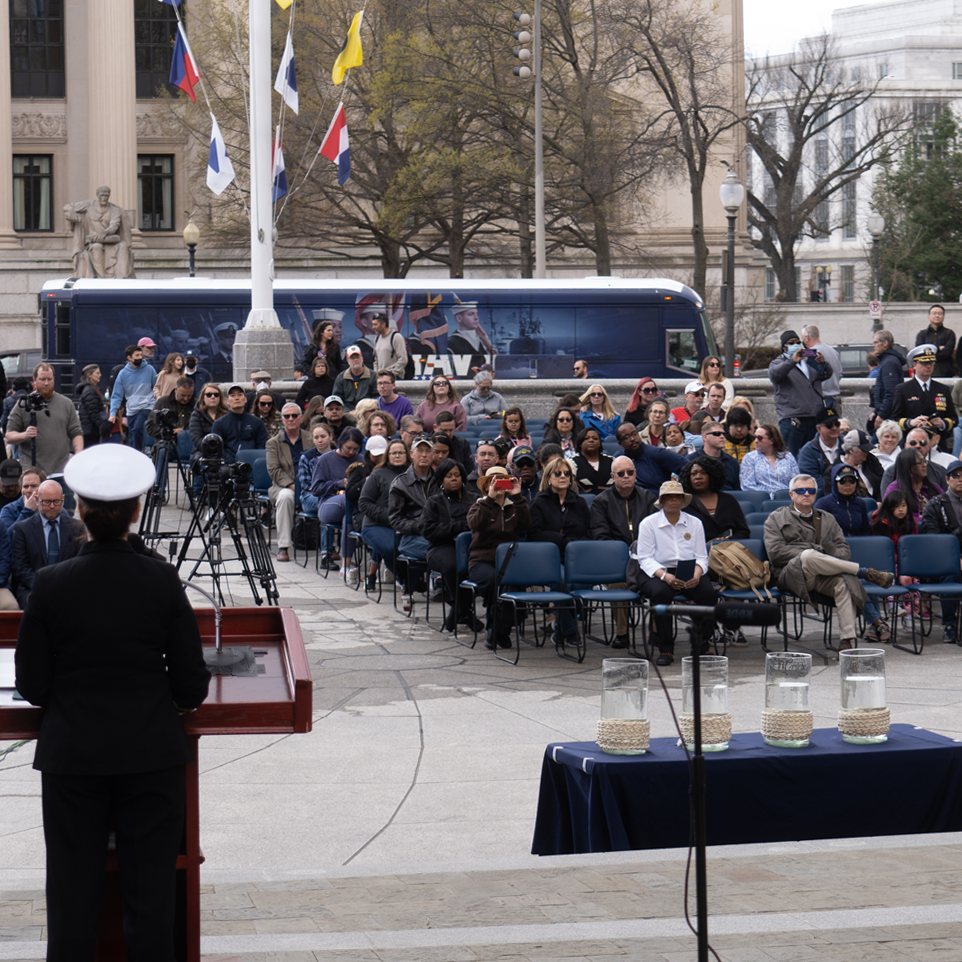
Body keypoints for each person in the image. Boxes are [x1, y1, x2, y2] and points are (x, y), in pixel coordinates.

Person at [14, 443, 210, 960]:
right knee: (151, 894)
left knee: (72, 891)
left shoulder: (51, 584)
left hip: (72, 756)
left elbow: (31, 684)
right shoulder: (162, 581)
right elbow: (191, 682)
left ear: (78, 510)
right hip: (150, 754)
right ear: (137, 512)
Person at [764, 474, 894, 651]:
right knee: (808, 556)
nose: (806, 494)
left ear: (816, 494)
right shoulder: (775, 518)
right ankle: (863, 572)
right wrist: (814, 550)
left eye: (811, 491)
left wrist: (821, 554)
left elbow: (844, 550)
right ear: (791, 495)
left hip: (823, 575)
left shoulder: (827, 518)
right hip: (791, 575)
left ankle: (846, 640)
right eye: (801, 490)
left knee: (843, 582)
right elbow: (775, 553)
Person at [628, 479, 717, 666]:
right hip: (656, 570)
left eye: (678, 497)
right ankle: (666, 648)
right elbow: (645, 558)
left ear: (683, 500)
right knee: (662, 593)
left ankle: (702, 644)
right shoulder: (648, 524)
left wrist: (697, 574)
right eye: (669, 497)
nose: (674, 500)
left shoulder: (695, 523)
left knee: (708, 594)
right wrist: (664, 576)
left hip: (689, 568)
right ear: (662, 501)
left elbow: (701, 555)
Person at [588, 455, 658, 647]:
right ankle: (622, 633)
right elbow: (601, 537)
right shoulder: (601, 501)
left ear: (635, 474)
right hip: (617, 562)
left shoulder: (648, 498)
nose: (626, 476)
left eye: (630, 472)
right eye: (621, 473)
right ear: (613, 476)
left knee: (659, 583)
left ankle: (657, 631)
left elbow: (657, 534)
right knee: (617, 584)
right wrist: (624, 554)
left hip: (647, 560)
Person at [529, 456, 591, 648]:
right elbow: (535, 534)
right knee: (563, 582)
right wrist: (564, 540)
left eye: (567, 473)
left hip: (576, 558)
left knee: (580, 583)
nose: (563, 476)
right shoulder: (539, 502)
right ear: (548, 478)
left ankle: (560, 630)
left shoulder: (579, 503)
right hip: (550, 560)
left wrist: (577, 545)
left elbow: (589, 532)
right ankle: (571, 632)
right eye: (558, 473)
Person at [467, 466, 531, 650]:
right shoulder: (479, 505)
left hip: (508, 562)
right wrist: (490, 498)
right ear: (487, 485)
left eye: (502, 479)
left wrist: (517, 496)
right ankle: (499, 631)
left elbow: (525, 525)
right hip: (481, 561)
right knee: (494, 582)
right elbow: (476, 524)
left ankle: (497, 630)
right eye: (493, 480)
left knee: (514, 585)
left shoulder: (513, 507)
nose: (498, 484)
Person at [420, 457, 482, 632]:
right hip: (441, 547)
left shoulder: (475, 499)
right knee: (453, 566)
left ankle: (457, 611)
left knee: (477, 566)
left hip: (472, 546)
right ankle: (466, 612)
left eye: (457, 475)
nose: (453, 478)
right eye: (448, 476)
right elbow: (427, 530)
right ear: (441, 479)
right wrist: (459, 526)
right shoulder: (434, 502)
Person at [10, 479, 85, 609]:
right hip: (33, 589)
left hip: (67, 588)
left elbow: (80, 564)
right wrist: (42, 587)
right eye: (46, 502)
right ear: (37, 500)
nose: (51, 506)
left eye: (56, 502)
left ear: (63, 499)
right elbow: (21, 568)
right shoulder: (23, 529)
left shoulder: (76, 528)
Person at [388, 435, 438, 601]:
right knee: (440, 550)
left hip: (439, 533)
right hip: (411, 536)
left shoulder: (441, 480)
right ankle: (437, 581)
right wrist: (419, 526)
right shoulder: (400, 484)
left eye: (428, 451)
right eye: (420, 451)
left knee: (451, 546)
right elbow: (395, 519)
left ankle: (446, 589)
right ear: (412, 454)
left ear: (433, 455)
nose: (424, 455)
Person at [769, 329, 833, 456]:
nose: (796, 345)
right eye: (791, 343)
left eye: (798, 342)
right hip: (793, 417)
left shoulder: (809, 360)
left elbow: (826, 374)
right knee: (790, 455)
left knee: (813, 455)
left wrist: (823, 363)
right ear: (784, 347)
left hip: (813, 416)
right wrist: (792, 361)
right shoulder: (779, 362)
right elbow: (775, 375)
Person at [920, 458, 962, 643]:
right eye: (956, 475)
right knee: (950, 576)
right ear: (947, 479)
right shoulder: (935, 504)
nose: (960, 479)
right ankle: (950, 625)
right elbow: (934, 540)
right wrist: (956, 559)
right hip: (945, 562)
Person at [311, 426, 364, 571]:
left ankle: (345, 566)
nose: (352, 452)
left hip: (351, 507)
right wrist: (338, 484)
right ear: (341, 443)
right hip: (328, 504)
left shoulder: (361, 460)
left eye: (355, 449)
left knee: (350, 517)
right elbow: (315, 489)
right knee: (349, 500)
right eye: (348, 448)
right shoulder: (325, 460)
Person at [358, 438, 409, 588]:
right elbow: (364, 503)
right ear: (388, 455)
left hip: (406, 524)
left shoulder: (413, 473)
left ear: (408, 454)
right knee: (390, 548)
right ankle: (406, 580)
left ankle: (414, 580)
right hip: (376, 524)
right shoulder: (378, 474)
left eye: (401, 452)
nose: (397, 456)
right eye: (394, 453)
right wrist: (390, 518)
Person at [266, 403, 311, 563]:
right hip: (284, 486)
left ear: (301, 418)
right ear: (282, 420)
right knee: (286, 497)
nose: (290, 419)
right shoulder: (273, 443)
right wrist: (294, 486)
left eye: (294, 415)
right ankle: (283, 547)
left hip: (311, 485)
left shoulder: (311, 438)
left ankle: (328, 549)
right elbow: (274, 470)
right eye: (287, 416)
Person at [892, 344, 957, 452]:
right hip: (913, 444)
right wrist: (910, 422)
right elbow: (895, 418)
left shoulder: (942, 389)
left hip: (937, 444)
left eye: (931, 362)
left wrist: (943, 424)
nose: (928, 366)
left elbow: (953, 418)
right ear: (914, 364)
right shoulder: (903, 389)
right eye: (924, 363)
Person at [63, 185, 135, 278]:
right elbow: (67, 206)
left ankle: (121, 277)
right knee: (97, 247)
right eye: (102, 195)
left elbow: (114, 226)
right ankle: (101, 278)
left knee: (123, 246)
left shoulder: (114, 210)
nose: (104, 198)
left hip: (110, 239)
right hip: (94, 241)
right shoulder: (89, 205)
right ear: (97, 195)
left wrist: (104, 233)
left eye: (106, 195)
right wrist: (71, 211)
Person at [679, 457, 749, 541]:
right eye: (693, 474)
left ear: (713, 475)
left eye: (703, 473)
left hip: (727, 549)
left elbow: (743, 531)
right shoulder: (684, 502)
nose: (698, 477)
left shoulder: (728, 500)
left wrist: (727, 541)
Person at [107, 346, 156, 451]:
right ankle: (136, 456)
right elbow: (116, 395)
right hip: (132, 409)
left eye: (141, 355)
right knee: (132, 434)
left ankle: (139, 453)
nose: (140, 358)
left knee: (137, 429)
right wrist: (112, 413)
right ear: (129, 358)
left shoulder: (149, 369)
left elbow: (156, 387)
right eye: (137, 355)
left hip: (147, 405)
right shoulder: (123, 374)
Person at [615, 421, 687, 491]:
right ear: (620, 443)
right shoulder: (618, 460)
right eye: (626, 437)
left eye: (634, 434)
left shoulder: (656, 453)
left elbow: (687, 466)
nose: (632, 439)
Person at [884, 445, 943, 528]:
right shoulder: (895, 489)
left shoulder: (933, 487)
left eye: (925, 461)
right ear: (908, 466)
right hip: (907, 531)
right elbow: (889, 516)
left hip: (934, 531)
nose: (925, 465)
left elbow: (946, 508)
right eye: (920, 462)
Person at [211, 385, 269, 461]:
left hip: (252, 462)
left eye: (240, 395)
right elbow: (218, 449)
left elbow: (262, 445)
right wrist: (232, 462)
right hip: (228, 464)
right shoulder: (219, 423)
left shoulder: (257, 422)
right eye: (232, 395)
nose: (237, 398)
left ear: (245, 399)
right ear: (228, 401)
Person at [796, 406, 843, 496]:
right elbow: (812, 479)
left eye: (837, 424)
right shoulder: (808, 451)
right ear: (818, 428)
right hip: (822, 497)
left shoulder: (847, 444)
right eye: (829, 425)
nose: (834, 428)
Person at [828, 430, 884, 501]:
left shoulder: (871, 461)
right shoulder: (834, 470)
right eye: (863, 450)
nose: (867, 452)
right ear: (851, 450)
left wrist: (880, 502)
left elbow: (884, 482)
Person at [871, 330, 906, 432]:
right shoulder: (888, 360)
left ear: (885, 343)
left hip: (888, 417)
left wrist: (881, 415)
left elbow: (891, 392)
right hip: (888, 413)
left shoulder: (889, 362)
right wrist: (876, 411)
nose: (873, 345)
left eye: (876, 342)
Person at [801, 325, 842, 410]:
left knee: (820, 423)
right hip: (833, 397)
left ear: (806, 338)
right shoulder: (833, 351)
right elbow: (839, 373)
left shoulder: (809, 352)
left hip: (820, 398)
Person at [297, 422, 335, 516]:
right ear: (313, 440)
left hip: (335, 494)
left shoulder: (339, 455)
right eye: (316, 437)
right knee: (327, 501)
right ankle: (327, 530)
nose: (320, 440)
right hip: (310, 497)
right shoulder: (306, 457)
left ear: (330, 436)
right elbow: (307, 486)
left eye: (323, 436)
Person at [447, 302, 495, 373]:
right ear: (459, 318)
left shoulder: (482, 341)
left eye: (477, 314)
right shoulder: (451, 343)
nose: (476, 318)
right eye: (471, 314)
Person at [691, 421, 740, 490]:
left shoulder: (732, 461)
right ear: (705, 437)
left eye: (723, 434)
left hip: (728, 499)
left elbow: (738, 490)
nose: (722, 436)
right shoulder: (691, 460)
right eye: (717, 434)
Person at [145, 376, 195, 442]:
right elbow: (150, 428)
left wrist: (185, 433)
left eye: (189, 396)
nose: (186, 399)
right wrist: (172, 431)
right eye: (183, 395)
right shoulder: (163, 402)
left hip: (189, 445)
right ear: (176, 390)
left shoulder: (196, 405)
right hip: (166, 444)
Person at [331, 345, 377, 412]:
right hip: (346, 413)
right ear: (347, 360)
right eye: (352, 358)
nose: (355, 360)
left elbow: (377, 397)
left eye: (357, 357)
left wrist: (365, 410)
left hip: (367, 411)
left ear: (362, 358)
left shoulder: (373, 376)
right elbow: (337, 398)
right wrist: (348, 412)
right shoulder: (341, 377)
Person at [916, 304, 957, 378]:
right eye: (934, 313)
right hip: (926, 373)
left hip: (944, 373)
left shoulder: (949, 333)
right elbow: (920, 351)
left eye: (940, 314)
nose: (937, 316)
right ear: (929, 317)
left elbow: (947, 352)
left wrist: (929, 354)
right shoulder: (922, 334)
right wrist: (938, 348)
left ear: (943, 317)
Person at [572, 426, 614, 495]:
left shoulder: (612, 461)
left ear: (600, 443)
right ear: (580, 443)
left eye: (595, 438)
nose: (591, 440)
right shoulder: (572, 462)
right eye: (586, 438)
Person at [78, 363, 110, 449]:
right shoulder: (89, 391)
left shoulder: (90, 389)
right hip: (91, 432)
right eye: (97, 373)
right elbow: (94, 413)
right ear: (89, 375)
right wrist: (103, 428)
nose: (100, 375)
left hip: (90, 430)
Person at [371, 311, 408, 379]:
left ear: (383, 325)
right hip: (381, 379)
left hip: (395, 379)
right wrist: (377, 374)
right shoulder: (377, 339)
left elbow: (403, 359)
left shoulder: (396, 337)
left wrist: (390, 374)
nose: (373, 327)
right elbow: (375, 360)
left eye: (375, 325)